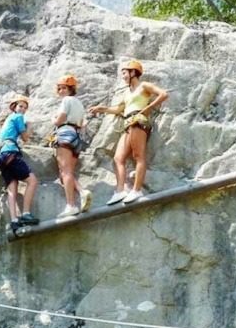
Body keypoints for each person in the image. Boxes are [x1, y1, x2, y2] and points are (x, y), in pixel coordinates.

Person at [88, 59, 169, 204]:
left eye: (125, 73)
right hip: (128, 123)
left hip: (138, 121)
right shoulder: (127, 92)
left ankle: (136, 190)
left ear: (133, 72)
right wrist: (102, 109)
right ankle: (120, 191)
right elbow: (119, 110)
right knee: (118, 158)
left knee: (138, 156)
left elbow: (163, 94)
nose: (123, 76)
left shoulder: (144, 85)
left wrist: (148, 109)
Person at [0, 95, 39, 230]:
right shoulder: (17, 117)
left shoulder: (8, 120)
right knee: (32, 181)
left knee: (12, 188)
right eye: (21, 106)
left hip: (1, 155)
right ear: (14, 106)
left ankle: (14, 220)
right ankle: (26, 213)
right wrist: (30, 126)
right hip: (10, 152)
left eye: (25, 108)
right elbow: (25, 137)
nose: (23, 110)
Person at [52, 74, 91, 218]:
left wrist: (54, 121)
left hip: (64, 133)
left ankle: (71, 205)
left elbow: (61, 118)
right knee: (67, 173)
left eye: (64, 88)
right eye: (60, 88)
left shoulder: (66, 100)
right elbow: (82, 123)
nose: (61, 91)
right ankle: (82, 192)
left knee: (65, 172)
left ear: (70, 89)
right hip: (76, 136)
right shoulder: (79, 104)